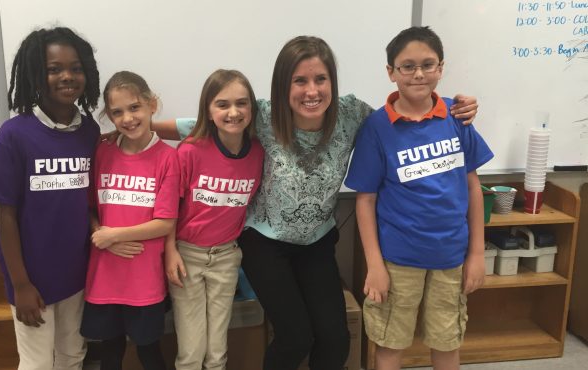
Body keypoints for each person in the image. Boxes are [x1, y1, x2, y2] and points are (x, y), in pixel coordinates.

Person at [155, 35, 478, 370]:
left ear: (332, 82)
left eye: (320, 79)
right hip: (264, 243)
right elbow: (196, 125)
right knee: (295, 337)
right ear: (284, 84)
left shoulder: (351, 113)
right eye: (300, 81)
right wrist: (135, 128)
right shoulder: (262, 116)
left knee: (335, 339)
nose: (312, 91)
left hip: (317, 242)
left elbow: (403, 119)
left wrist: (457, 106)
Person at [344, 26, 493, 370]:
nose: (419, 74)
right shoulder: (377, 128)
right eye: (407, 66)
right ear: (391, 72)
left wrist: (476, 254)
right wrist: (375, 265)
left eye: (428, 64)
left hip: (451, 256)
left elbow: (473, 186)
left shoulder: (457, 116)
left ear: (441, 68)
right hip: (398, 260)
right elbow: (365, 200)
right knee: (390, 344)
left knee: (447, 341)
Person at [0, 27, 100, 370]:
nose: (67, 77)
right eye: (54, 68)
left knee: (73, 355)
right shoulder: (15, 135)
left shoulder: (90, 132)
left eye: (76, 68)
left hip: (76, 274)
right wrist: (20, 284)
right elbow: (7, 217)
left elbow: (88, 204)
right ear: (35, 74)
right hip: (32, 279)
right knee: (37, 364)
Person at [164, 69, 265, 370]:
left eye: (241, 103)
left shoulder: (258, 153)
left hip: (226, 257)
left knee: (217, 350)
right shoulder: (190, 151)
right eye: (222, 104)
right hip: (187, 258)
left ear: (251, 108)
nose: (233, 112)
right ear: (208, 111)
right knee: (192, 351)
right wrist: (170, 252)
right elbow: (169, 207)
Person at [80, 71, 179, 370]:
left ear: (152, 104)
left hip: (144, 280)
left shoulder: (167, 158)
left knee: (149, 353)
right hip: (104, 275)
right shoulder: (103, 152)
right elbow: (90, 209)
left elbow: (164, 222)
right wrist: (102, 236)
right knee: (109, 354)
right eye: (117, 112)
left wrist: (115, 237)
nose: (128, 118)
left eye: (134, 107)